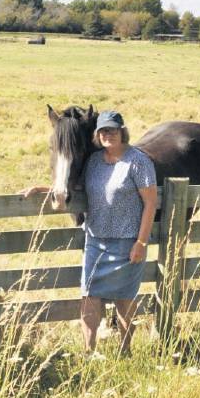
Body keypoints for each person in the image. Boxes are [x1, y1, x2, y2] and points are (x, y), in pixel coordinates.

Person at [23, 110, 157, 356]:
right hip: (96, 239)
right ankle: (89, 351)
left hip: (127, 241)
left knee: (124, 299)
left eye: (113, 130)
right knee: (89, 296)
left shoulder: (138, 161)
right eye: (103, 131)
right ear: (97, 134)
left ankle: (125, 351)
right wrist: (46, 188)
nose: (108, 135)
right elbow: (75, 183)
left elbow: (150, 202)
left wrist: (141, 242)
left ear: (122, 131)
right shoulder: (95, 162)